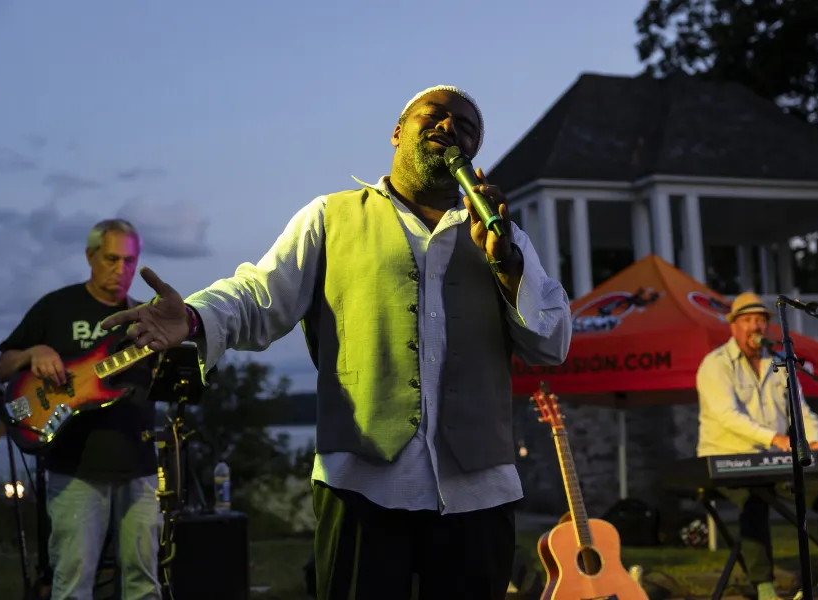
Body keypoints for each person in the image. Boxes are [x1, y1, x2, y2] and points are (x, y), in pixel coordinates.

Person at [101, 84, 572, 599]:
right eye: (433, 115)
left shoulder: (503, 236)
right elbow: (260, 294)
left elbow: (551, 343)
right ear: (397, 131)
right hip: (362, 483)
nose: (449, 128)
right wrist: (193, 316)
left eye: (466, 127)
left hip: (478, 492)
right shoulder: (330, 216)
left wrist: (507, 265)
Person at [0, 219, 161, 600]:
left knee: (144, 585)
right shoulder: (57, 306)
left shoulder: (144, 318)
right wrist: (32, 352)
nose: (122, 270)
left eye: (130, 261)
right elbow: (4, 367)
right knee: (72, 586)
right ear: (90, 256)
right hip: (74, 470)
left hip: (139, 465)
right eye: (112, 259)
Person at [696, 292, 818, 600]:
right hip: (730, 458)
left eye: (761, 320)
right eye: (748, 320)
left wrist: (813, 440)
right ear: (733, 327)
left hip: (778, 458)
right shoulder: (714, 365)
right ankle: (764, 586)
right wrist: (777, 439)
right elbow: (727, 415)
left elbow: (802, 410)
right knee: (753, 504)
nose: (755, 326)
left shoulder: (781, 364)